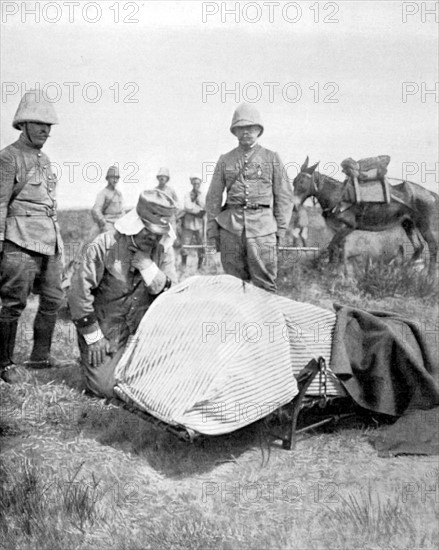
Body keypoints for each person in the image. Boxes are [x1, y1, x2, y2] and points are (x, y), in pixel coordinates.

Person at [67, 189, 178, 398]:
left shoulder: (162, 249)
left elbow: (172, 295)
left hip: (144, 329)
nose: (153, 237)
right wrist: (93, 337)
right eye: (148, 231)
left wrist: (148, 267)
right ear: (137, 223)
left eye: (158, 233)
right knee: (105, 389)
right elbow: (78, 294)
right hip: (107, 329)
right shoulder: (104, 245)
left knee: (162, 381)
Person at [0, 90, 64, 383]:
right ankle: (4, 364)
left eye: (48, 126)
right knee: (13, 303)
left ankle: (40, 357)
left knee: (52, 299)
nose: (45, 131)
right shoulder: (8, 157)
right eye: (39, 124)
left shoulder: (46, 160)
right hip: (19, 240)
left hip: (49, 241)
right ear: (23, 124)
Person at [206, 103, 293, 292]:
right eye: (240, 128)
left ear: (258, 130)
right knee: (233, 286)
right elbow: (213, 199)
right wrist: (212, 234)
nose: (245, 132)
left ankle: (266, 322)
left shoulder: (272, 158)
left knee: (265, 285)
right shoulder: (225, 159)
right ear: (235, 132)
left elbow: (284, 196)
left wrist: (280, 230)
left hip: (263, 229)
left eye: (250, 127)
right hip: (230, 229)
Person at [181, 175, 206, 270]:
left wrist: (198, 205)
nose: (196, 185)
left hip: (199, 223)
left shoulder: (202, 195)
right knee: (185, 244)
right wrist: (198, 209)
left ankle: (200, 266)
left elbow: (205, 206)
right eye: (194, 183)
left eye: (198, 183)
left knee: (201, 243)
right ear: (192, 184)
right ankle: (183, 265)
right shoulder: (188, 194)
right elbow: (187, 206)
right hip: (188, 223)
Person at [91, 165, 125, 233]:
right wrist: (103, 222)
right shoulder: (103, 193)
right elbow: (96, 210)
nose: (115, 180)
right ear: (108, 178)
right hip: (108, 224)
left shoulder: (119, 194)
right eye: (113, 177)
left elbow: (122, 210)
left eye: (117, 178)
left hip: (119, 224)